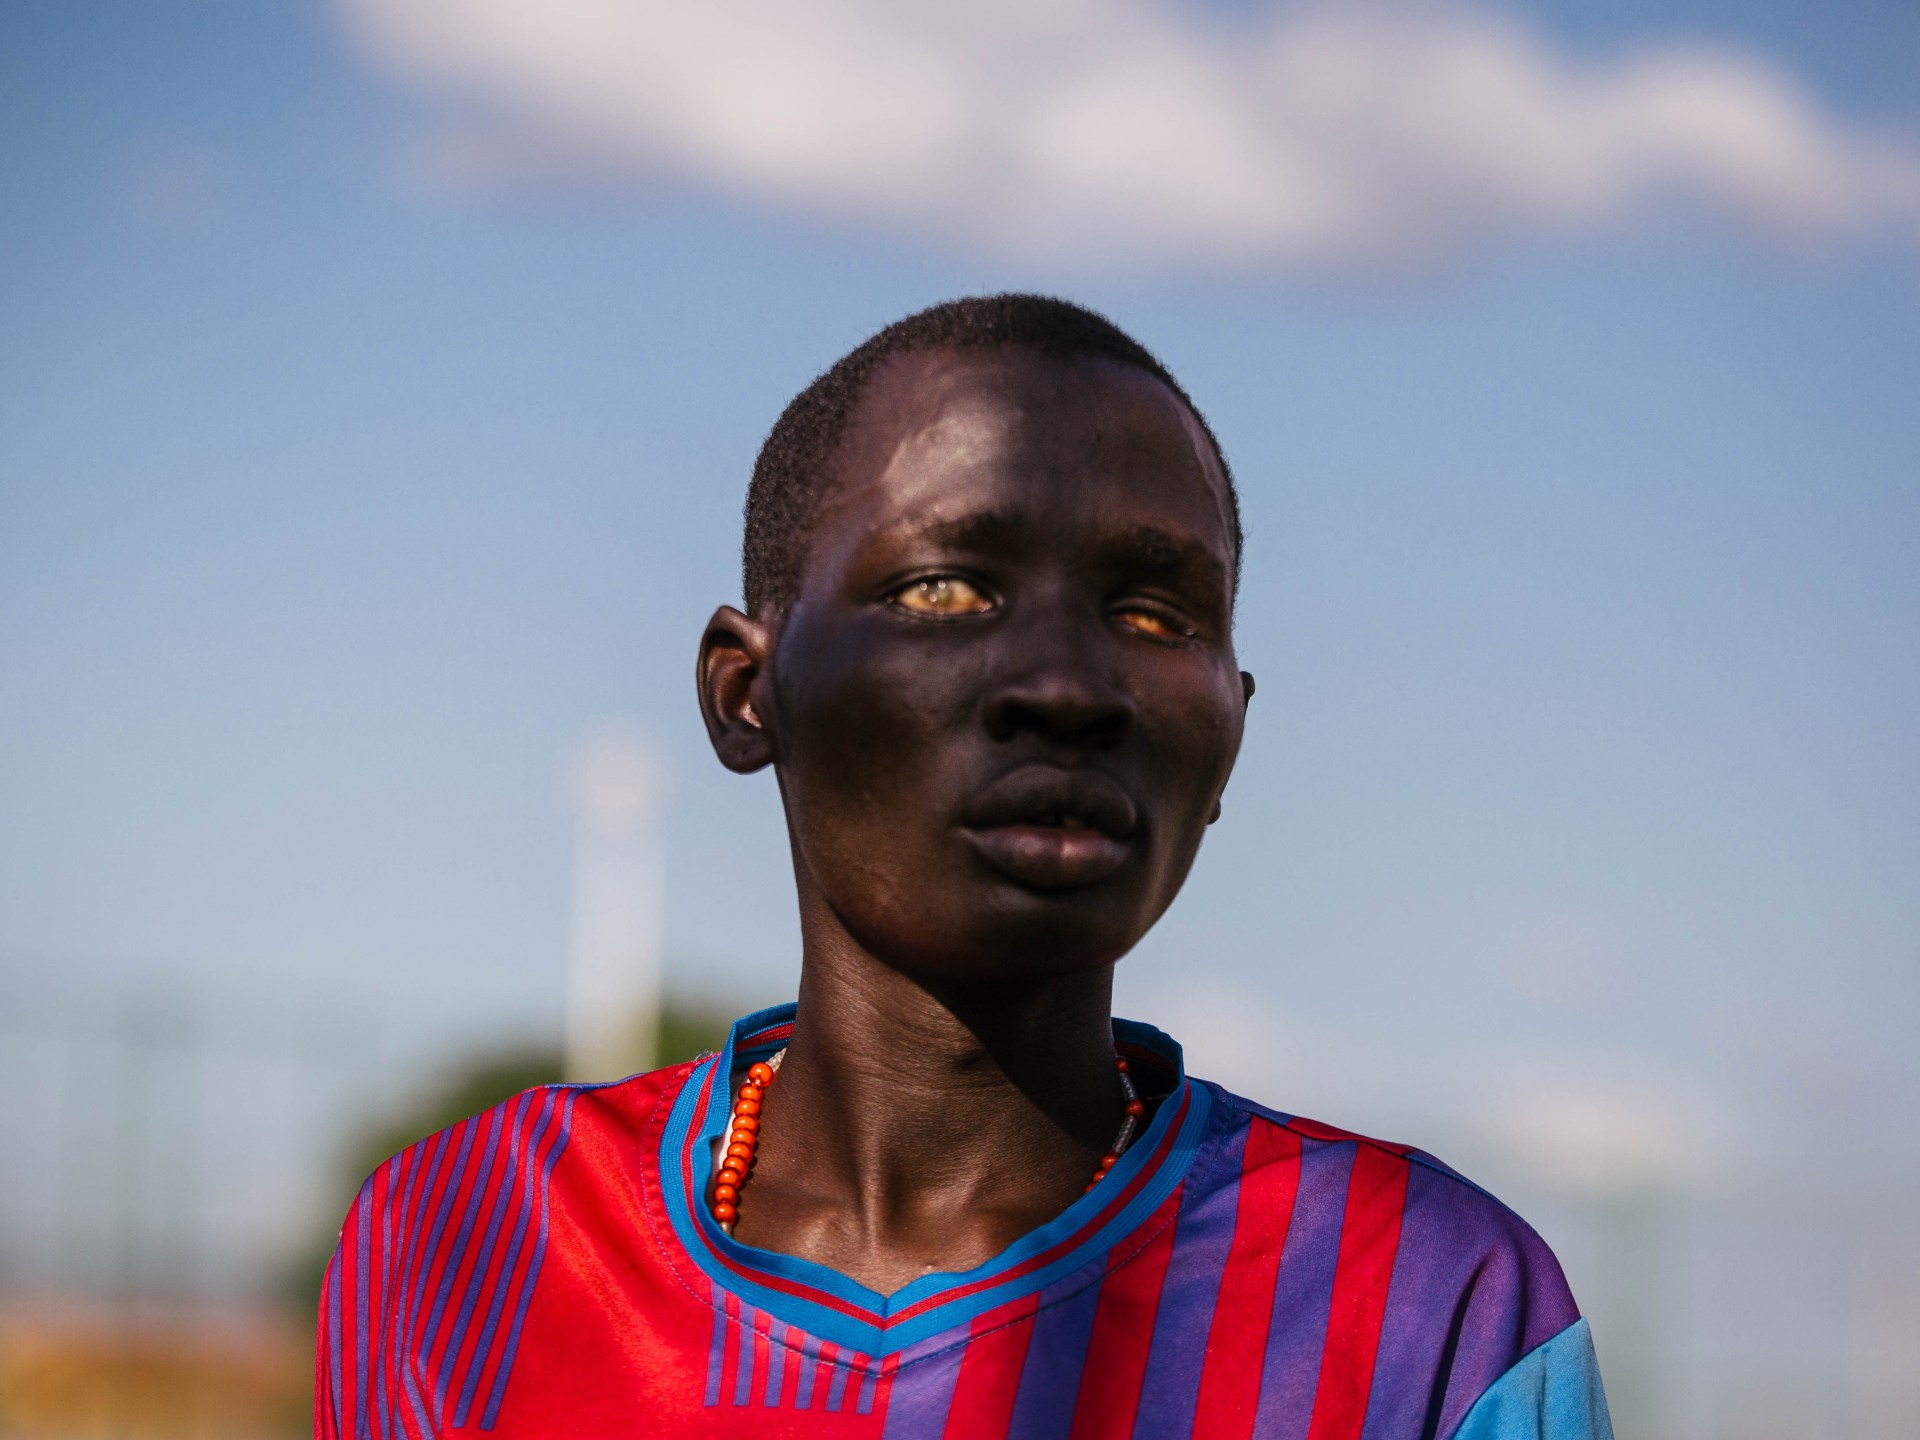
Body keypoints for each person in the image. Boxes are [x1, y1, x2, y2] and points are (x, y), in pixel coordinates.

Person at [316, 296, 1613, 1439]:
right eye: (946, 590)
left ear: (1229, 736)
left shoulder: (1437, 1311)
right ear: (746, 692)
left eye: (1158, 615)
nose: (1067, 686)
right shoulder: (461, 1240)